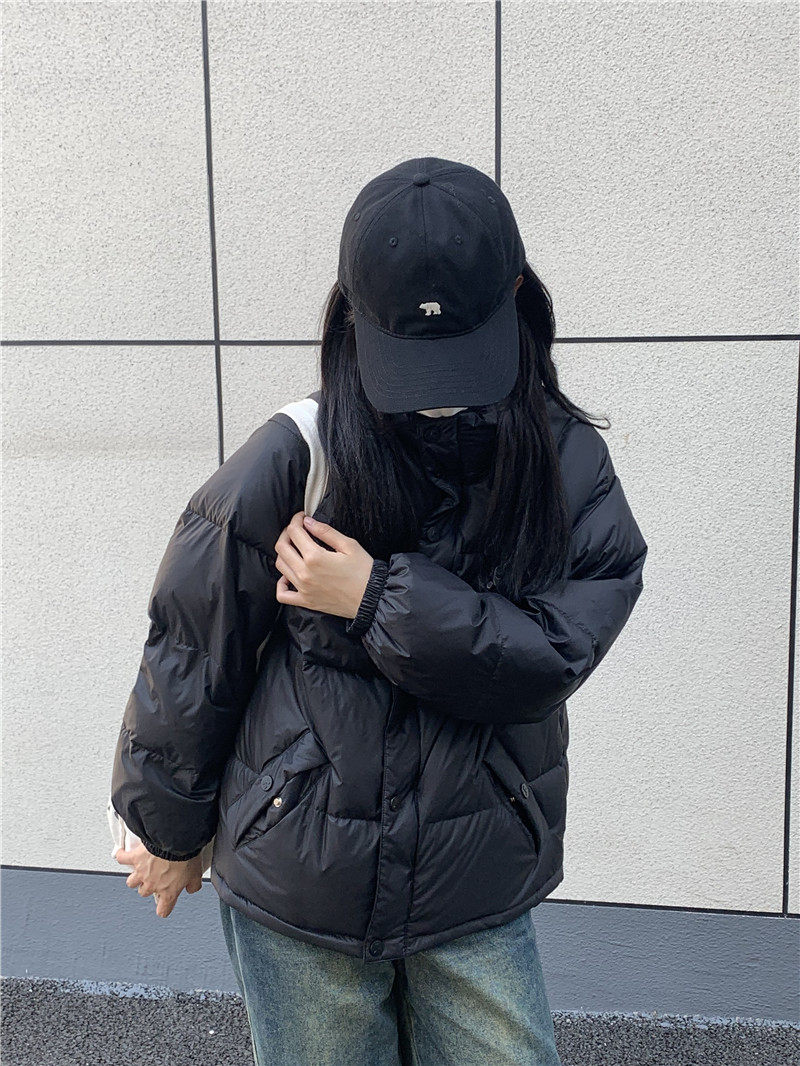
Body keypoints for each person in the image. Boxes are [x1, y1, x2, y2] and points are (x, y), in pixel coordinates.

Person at [110, 156, 648, 1065]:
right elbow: (195, 647)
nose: (436, 385)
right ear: (349, 315)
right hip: (301, 879)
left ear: (518, 295)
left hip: (475, 879)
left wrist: (374, 599)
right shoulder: (299, 451)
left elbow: (552, 655)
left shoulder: (564, 463)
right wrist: (166, 827)